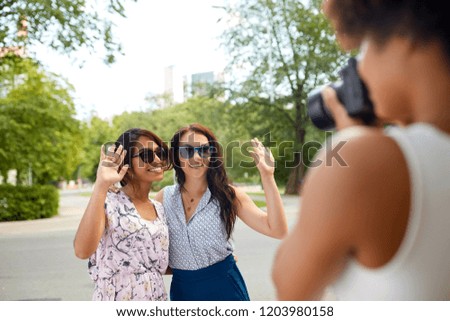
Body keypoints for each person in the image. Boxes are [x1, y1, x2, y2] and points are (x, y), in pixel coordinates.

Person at [272, 0, 450, 300]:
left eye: (362, 50)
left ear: (404, 38)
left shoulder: (362, 159)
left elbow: (289, 288)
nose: (360, 69)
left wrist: (355, 138)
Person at [154, 123, 288, 301]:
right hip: (182, 291)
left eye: (204, 150)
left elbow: (278, 230)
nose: (196, 157)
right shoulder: (164, 198)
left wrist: (267, 176)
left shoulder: (228, 195)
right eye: (187, 150)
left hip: (224, 290)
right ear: (176, 156)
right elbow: (143, 247)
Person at [73, 128, 170, 301]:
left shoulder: (159, 208)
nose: (156, 160)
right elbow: (82, 251)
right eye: (146, 155)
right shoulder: (108, 200)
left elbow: (157, 263)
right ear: (127, 163)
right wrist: (101, 184)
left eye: (159, 153)